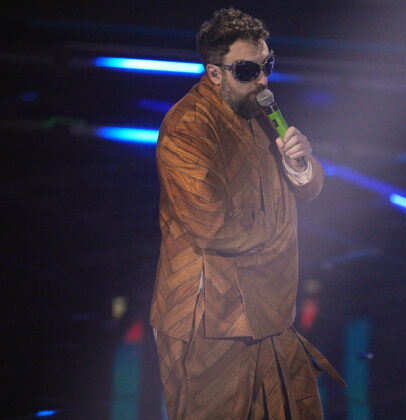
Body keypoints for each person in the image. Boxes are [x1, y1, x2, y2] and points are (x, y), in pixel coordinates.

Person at [149, 8, 344, 419]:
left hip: (268, 313)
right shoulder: (188, 127)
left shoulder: (260, 114)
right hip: (211, 322)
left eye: (266, 65)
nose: (262, 81)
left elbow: (309, 188)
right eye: (247, 70)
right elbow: (213, 225)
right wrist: (279, 237)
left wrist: (299, 167)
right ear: (214, 73)